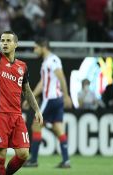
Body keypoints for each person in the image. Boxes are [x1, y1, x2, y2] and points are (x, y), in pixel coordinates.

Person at [0, 3, 43, 175]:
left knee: (23, 153)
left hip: (16, 116)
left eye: (8, 41)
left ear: (16, 44)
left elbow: (27, 90)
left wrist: (36, 109)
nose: (4, 43)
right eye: (2, 41)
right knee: (0, 154)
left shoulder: (22, 66)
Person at [22, 38, 72, 168]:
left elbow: (61, 77)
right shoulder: (46, 62)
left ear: (43, 46)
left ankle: (33, 159)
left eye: (36, 47)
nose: (34, 50)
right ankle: (66, 160)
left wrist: (67, 96)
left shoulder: (52, 60)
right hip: (56, 99)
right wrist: (31, 98)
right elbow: (43, 83)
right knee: (58, 127)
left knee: (35, 125)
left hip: (51, 99)